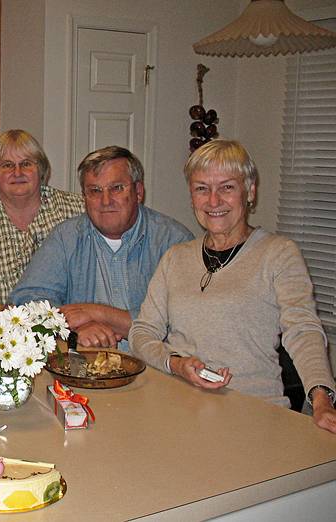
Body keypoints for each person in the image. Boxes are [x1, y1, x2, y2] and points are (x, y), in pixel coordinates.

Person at [130, 140, 336, 433]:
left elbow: (302, 330)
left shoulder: (278, 253)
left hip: (251, 413)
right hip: (175, 410)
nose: (213, 201)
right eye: (202, 188)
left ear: (250, 192)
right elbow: (142, 332)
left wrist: (321, 397)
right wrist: (175, 363)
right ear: (191, 196)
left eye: (226, 187)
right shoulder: (176, 257)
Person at [9, 145, 192, 350]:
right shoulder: (66, 237)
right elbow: (25, 303)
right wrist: (72, 330)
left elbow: (183, 320)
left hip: (155, 368)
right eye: (95, 191)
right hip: (85, 368)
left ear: (138, 191)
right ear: (84, 197)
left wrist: (97, 313)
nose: (105, 201)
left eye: (116, 188)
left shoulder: (173, 241)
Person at [0, 129, 84, 318]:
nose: (17, 172)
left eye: (26, 164)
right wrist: (10, 320)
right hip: (1, 334)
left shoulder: (76, 211)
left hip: (70, 329)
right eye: (7, 165)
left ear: (41, 168)